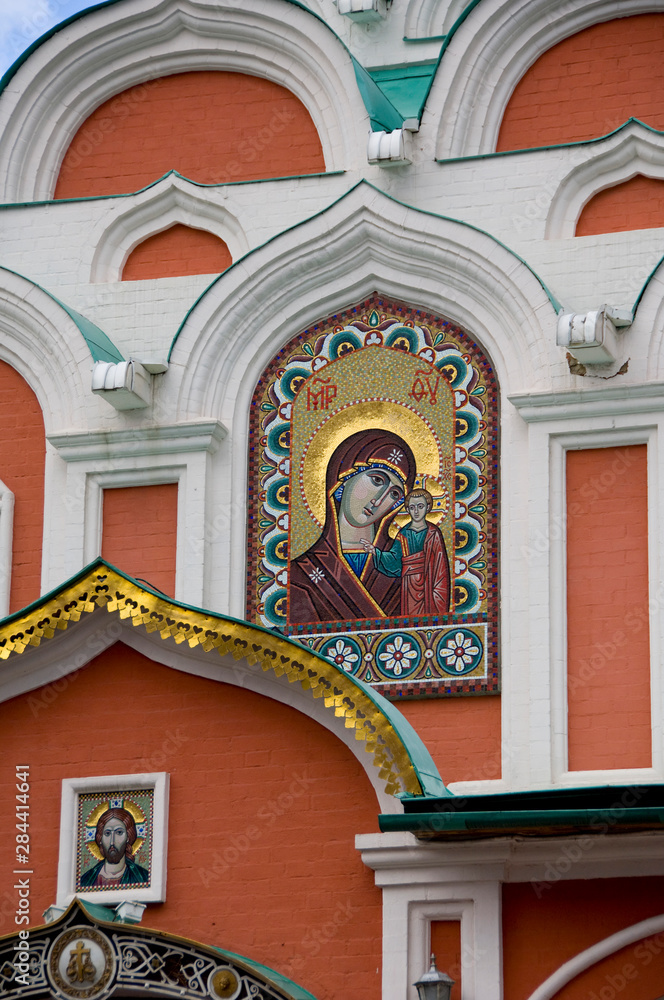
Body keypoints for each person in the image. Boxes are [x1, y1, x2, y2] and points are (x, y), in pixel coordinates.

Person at [289, 429, 416, 623]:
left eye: (394, 494)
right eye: (376, 480)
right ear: (343, 477)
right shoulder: (302, 573)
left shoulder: (400, 562)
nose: (379, 500)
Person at [361, 488, 450, 616]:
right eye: (412, 507)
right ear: (407, 509)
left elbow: (440, 565)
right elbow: (395, 559)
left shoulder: (433, 533)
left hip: (429, 581)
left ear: (428, 507)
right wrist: (375, 551)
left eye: (420, 506)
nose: (416, 511)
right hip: (409, 584)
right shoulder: (403, 534)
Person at [80, 807, 150, 887]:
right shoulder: (86, 880)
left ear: (128, 837)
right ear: (100, 839)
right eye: (107, 833)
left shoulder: (142, 877)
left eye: (119, 832)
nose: (112, 841)